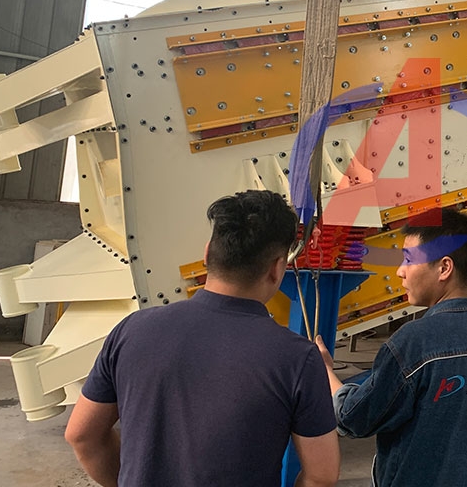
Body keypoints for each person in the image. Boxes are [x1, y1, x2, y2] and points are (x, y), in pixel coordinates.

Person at [65, 190, 339, 487]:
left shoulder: (131, 331)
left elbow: (82, 436)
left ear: (207, 254)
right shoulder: (297, 358)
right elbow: (321, 476)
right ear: (276, 269)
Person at [316, 208, 467, 487]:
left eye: (409, 260)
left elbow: (355, 418)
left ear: (444, 268)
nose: (400, 271)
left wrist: (325, 372)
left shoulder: (413, 343)